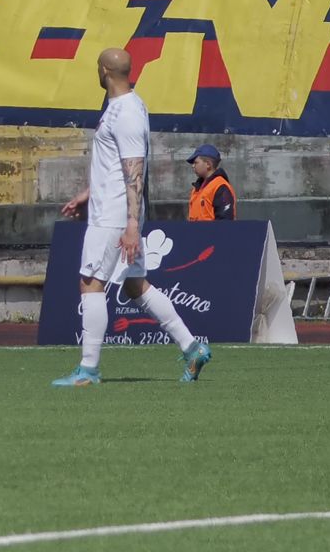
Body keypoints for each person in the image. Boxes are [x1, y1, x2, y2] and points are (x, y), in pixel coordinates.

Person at [52, 46, 211, 387]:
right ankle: (192, 348)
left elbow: (133, 170)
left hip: (114, 216)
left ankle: (88, 370)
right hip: (115, 209)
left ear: (105, 71)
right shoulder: (123, 107)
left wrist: (131, 224)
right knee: (136, 286)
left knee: (91, 283)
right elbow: (116, 166)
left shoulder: (126, 112)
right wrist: (89, 192)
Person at [186, 146, 235, 221]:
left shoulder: (221, 187)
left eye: (196, 162)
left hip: (211, 232)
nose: (193, 166)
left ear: (208, 164)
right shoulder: (197, 188)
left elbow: (225, 223)